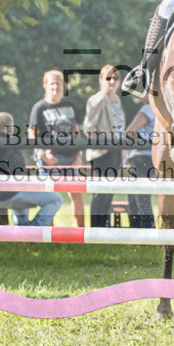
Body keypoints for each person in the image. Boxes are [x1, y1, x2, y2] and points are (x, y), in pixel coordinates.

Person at [0, 112, 63, 227]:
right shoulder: (9, 145)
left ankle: (22, 227)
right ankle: (33, 229)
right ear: (11, 129)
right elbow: (19, 174)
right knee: (56, 199)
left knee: (21, 190)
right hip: (7, 193)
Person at [29, 70, 85, 227]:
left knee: (77, 195)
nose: (56, 86)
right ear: (45, 85)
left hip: (71, 157)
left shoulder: (70, 105)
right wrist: (40, 153)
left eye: (59, 82)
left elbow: (77, 132)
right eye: (52, 83)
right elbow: (31, 134)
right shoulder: (39, 108)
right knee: (50, 197)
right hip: (49, 159)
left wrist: (79, 155)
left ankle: (80, 232)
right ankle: (50, 234)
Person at [84, 65, 125, 227]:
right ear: (101, 80)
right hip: (102, 152)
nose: (112, 81)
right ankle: (96, 227)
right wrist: (103, 144)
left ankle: (104, 225)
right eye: (108, 78)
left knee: (110, 190)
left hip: (117, 150)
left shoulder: (117, 99)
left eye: (116, 78)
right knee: (100, 191)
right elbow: (89, 127)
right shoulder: (97, 99)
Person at [123, 96, 157, 229]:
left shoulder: (148, 108)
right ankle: (142, 230)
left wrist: (143, 138)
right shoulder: (161, 109)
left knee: (139, 196)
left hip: (141, 156)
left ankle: (145, 230)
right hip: (151, 157)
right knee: (139, 195)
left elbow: (129, 133)